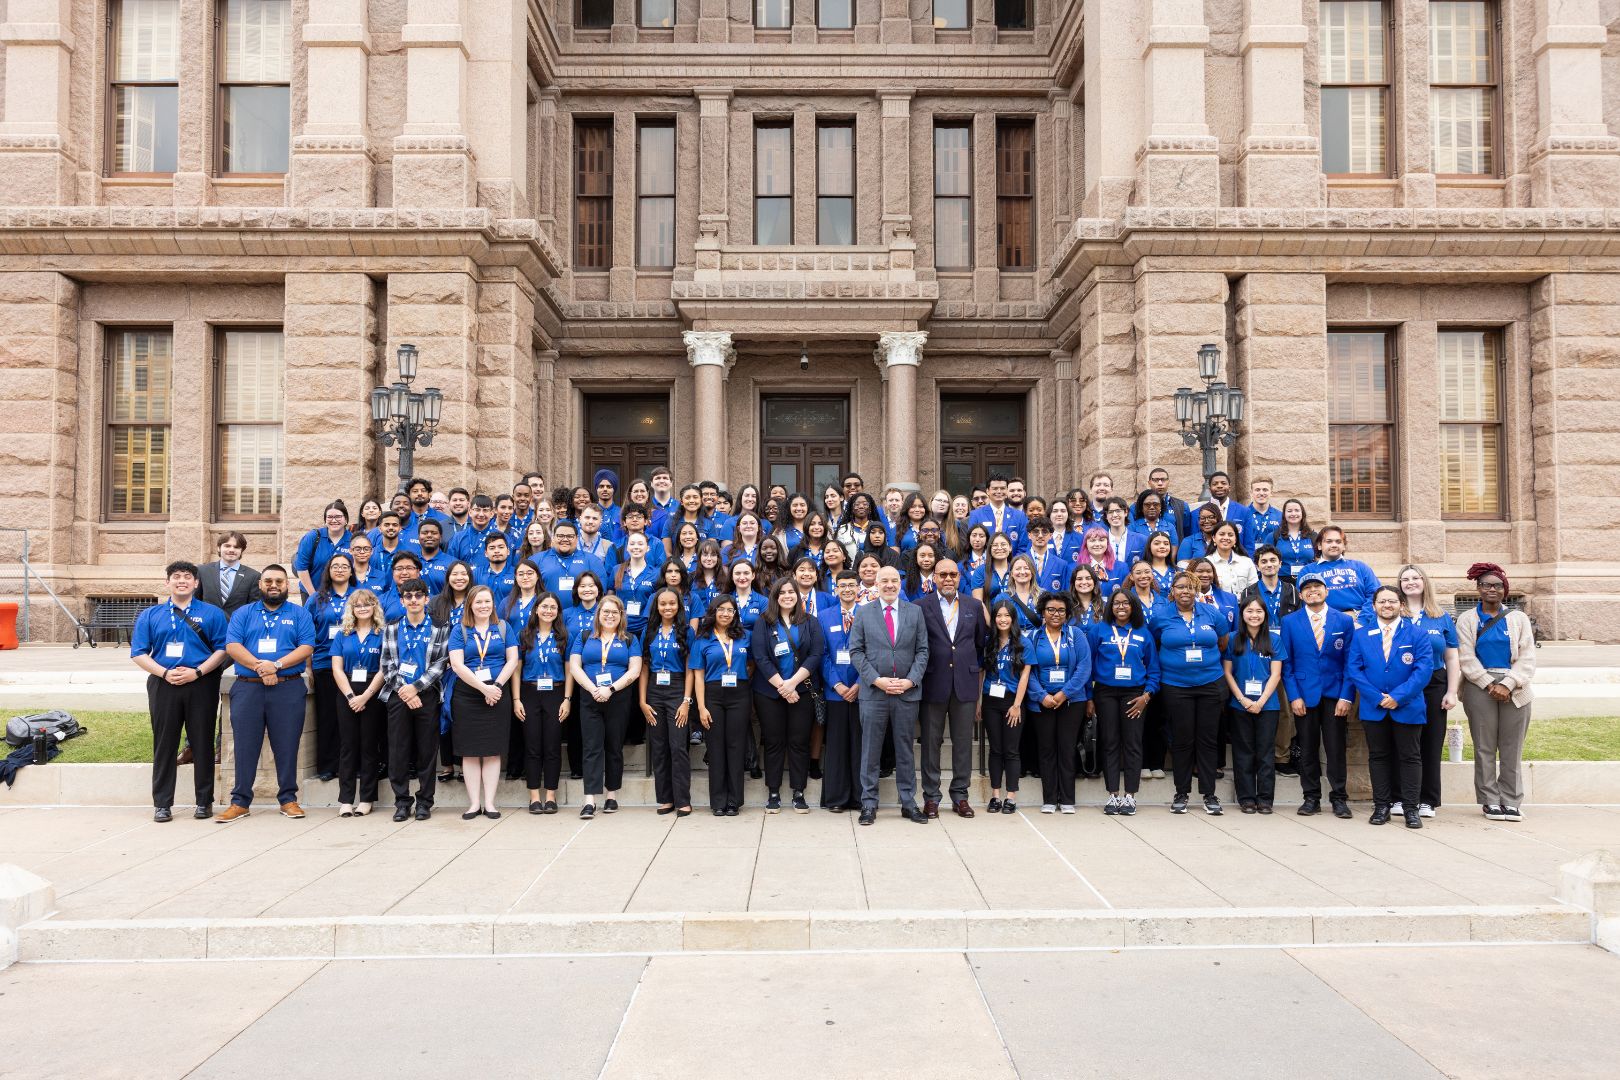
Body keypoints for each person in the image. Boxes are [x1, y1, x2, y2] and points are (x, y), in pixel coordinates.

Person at [130, 561, 229, 822]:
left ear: (196, 583)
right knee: (165, 744)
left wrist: (197, 672)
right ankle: (162, 803)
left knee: (203, 742)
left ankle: (204, 801)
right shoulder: (151, 615)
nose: (182, 580)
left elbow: (222, 649)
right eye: (176, 577)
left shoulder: (213, 614)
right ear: (167, 583)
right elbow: (138, 652)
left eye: (187, 577)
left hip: (201, 683)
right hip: (164, 684)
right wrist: (163, 672)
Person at [218, 565, 316, 822]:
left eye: (280, 581)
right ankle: (240, 801)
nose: (274, 585)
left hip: (288, 687)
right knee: (245, 745)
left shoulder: (299, 614)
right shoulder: (243, 613)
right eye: (269, 581)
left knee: (286, 744)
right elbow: (232, 645)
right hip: (248, 687)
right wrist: (261, 667)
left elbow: (306, 646)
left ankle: (288, 799)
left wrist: (277, 665)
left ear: (288, 585)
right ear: (260, 585)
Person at [848, 565, 930, 826]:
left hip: (906, 694)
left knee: (905, 750)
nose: (890, 585)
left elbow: (923, 651)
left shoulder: (915, 612)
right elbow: (856, 652)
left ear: (901, 583)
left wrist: (910, 681)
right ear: (876, 584)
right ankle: (869, 804)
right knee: (870, 750)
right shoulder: (863, 613)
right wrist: (877, 680)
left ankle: (908, 803)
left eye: (895, 580)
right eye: (884, 581)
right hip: (874, 694)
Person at [1346, 585, 1434, 828]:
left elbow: (1423, 669)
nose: (1387, 605)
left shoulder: (1417, 634)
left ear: (1401, 605)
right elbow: (1355, 669)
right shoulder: (1362, 635)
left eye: (1392, 601)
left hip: (1407, 706)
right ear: (1374, 606)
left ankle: (1410, 809)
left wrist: (1398, 696)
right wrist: (1376, 696)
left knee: (1410, 757)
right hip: (1374, 708)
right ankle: (1381, 805)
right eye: (1382, 601)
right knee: (1378, 756)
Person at [1457, 562, 1537, 822]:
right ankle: (1490, 800)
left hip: (1515, 687)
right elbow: (1466, 657)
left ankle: (1512, 801)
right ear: (1478, 589)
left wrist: (1508, 683)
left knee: (1512, 747)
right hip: (1480, 687)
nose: (1491, 589)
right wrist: (1489, 683)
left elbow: (1527, 657)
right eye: (1486, 585)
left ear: (1505, 590)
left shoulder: (1518, 619)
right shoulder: (1468, 619)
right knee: (1484, 746)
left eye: (1497, 585)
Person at [1279, 573, 1356, 818]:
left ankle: (1339, 798)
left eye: (1317, 586)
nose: (1312, 590)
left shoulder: (1343, 621)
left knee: (1335, 749)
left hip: (1335, 695)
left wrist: (1346, 696)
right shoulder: (1290, 622)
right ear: (1300, 595)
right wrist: (1293, 697)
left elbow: (1350, 662)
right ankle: (1311, 797)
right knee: (1308, 748)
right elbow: (1287, 664)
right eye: (1307, 588)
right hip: (1304, 694)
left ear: (1326, 591)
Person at [1152, 570, 1229, 816]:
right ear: (1172, 590)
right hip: (1176, 686)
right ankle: (1181, 792)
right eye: (1180, 587)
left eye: (1190, 587)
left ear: (1196, 590)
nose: (1185, 591)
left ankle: (1209, 794)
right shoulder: (1161, 616)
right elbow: (1155, 643)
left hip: (1209, 683)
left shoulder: (1211, 614)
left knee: (1207, 740)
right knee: (1183, 740)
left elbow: (1222, 641)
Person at [918, 559, 988, 819]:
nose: (948, 578)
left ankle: (960, 796)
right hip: (933, 683)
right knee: (930, 744)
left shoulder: (973, 605)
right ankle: (931, 798)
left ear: (959, 577)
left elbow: (980, 642)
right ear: (934, 577)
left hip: (965, 685)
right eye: (943, 574)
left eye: (953, 574)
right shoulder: (920, 606)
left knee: (962, 744)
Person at [750, 578, 825, 814]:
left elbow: (815, 655)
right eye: (782, 593)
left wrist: (792, 684)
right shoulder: (764, 622)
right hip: (769, 693)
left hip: (801, 691)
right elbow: (760, 657)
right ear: (775, 596)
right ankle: (773, 792)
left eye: (791, 592)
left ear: (797, 596)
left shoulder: (810, 622)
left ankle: (798, 792)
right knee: (773, 742)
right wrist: (782, 687)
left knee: (799, 742)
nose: (787, 596)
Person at [381, 578, 451, 821]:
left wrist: (416, 687)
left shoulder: (439, 628)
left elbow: (441, 664)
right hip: (398, 695)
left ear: (426, 599)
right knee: (398, 751)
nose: (413, 600)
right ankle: (402, 801)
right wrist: (405, 690)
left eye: (418, 596)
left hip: (427, 695)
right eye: (408, 597)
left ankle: (424, 802)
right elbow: (387, 664)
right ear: (402, 600)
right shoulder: (391, 627)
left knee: (426, 751)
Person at [447, 585, 519, 819]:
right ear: (470, 605)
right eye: (478, 602)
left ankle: (489, 803)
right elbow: (457, 665)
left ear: (493, 604)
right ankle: (473, 804)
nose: (483, 606)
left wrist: (496, 687)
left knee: (492, 751)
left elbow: (513, 660)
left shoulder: (503, 627)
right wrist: (484, 688)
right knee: (469, 752)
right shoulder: (460, 630)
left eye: (487, 601)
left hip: (497, 693)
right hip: (468, 696)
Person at [568, 594, 641, 819]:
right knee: (591, 747)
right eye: (605, 612)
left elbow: (635, 670)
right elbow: (574, 666)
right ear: (598, 614)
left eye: (614, 612)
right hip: (590, 697)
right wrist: (593, 689)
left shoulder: (629, 639)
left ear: (621, 616)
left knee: (614, 746)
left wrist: (610, 689)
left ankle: (611, 795)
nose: (609, 616)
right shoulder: (584, 636)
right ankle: (589, 800)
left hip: (617, 698)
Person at [1088, 588, 1158, 817]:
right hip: (1105, 693)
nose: (1121, 607)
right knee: (1110, 742)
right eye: (1116, 603)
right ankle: (1113, 795)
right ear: (1110, 606)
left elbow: (1154, 671)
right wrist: (1089, 697)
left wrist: (1146, 696)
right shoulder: (1099, 630)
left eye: (1126, 603)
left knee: (1133, 743)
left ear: (1133, 606)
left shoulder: (1143, 633)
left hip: (1134, 695)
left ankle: (1130, 796)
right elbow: (1088, 667)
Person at [1398, 564, 1460, 818]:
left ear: (1425, 582)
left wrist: (1452, 691)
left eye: (1415, 577)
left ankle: (1427, 799)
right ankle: (1400, 798)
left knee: (1431, 742)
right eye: (1405, 579)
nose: (1410, 582)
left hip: (1434, 683)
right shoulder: (1393, 612)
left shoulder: (1441, 616)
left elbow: (1452, 657)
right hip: (1401, 684)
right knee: (1402, 743)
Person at [1024, 591, 1093, 814]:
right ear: (1043, 612)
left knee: (1066, 747)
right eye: (1051, 610)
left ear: (1067, 613)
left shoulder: (1076, 635)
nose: (1056, 614)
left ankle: (1067, 800)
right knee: (1046, 749)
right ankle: (1049, 799)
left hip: (1072, 701)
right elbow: (1028, 672)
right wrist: (1041, 695)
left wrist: (1064, 694)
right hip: (1042, 702)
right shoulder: (1033, 637)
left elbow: (1084, 668)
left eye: (1061, 610)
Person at [1223, 597, 1287, 814]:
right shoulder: (1233, 639)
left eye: (1259, 611)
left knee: (1265, 753)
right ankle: (1247, 799)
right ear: (1242, 614)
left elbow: (1276, 674)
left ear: (1265, 615)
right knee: (1243, 753)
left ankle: (1265, 799)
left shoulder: (1274, 639)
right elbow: (1227, 673)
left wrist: (1259, 702)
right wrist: (1243, 700)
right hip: (1239, 705)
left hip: (1267, 705)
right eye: (1250, 611)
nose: (1254, 615)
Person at [691, 595, 751, 816]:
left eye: (730, 610)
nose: (726, 613)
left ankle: (734, 801)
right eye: (721, 609)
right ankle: (718, 801)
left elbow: (752, 664)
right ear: (713, 612)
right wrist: (701, 707)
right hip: (712, 695)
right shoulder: (702, 639)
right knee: (715, 748)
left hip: (740, 694)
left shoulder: (745, 636)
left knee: (736, 747)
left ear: (735, 614)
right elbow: (698, 676)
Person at [331, 588, 386, 817]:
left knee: (369, 746)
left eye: (367, 604)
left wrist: (366, 696)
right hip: (348, 692)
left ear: (374, 607)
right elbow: (336, 668)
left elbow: (385, 668)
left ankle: (366, 798)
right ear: (351, 609)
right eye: (358, 605)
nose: (362, 608)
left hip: (373, 692)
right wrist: (352, 697)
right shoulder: (343, 634)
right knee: (348, 746)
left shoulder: (382, 633)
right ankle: (345, 799)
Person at [639, 587, 693, 816]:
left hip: (677, 687)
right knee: (659, 747)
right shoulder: (649, 630)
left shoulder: (686, 631)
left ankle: (683, 800)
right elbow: (643, 667)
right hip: (654, 691)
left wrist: (686, 701)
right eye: (663, 604)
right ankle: (665, 798)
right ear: (656, 607)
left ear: (679, 606)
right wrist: (642, 701)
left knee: (678, 746)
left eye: (672, 603)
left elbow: (691, 668)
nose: (667, 607)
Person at [515, 592, 570, 815]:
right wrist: (516, 699)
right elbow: (516, 670)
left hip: (556, 693)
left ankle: (550, 795)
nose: (548, 611)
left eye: (553, 607)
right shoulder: (524, 635)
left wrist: (567, 699)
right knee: (532, 746)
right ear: (536, 609)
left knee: (552, 745)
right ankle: (534, 796)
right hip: (529, 692)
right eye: (544, 606)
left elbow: (569, 670)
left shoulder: (564, 636)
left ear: (558, 611)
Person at [817, 569, 865, 812]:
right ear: (835, 589)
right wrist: (837, 684)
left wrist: (857, 684)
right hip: (835, 691)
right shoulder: (824, 617)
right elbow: (822, 655)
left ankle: (858, 797)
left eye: (851, 585)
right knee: (836, 746)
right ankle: (836, 798)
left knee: (859, 745)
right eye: (842, 585)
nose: (847, 589)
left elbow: (872, 653)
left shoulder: (868, 614)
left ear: (859, 589)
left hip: (861, 689)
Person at [979, 598, 1030, 814]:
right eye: (998, 615)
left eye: (1006, 615)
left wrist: (1017, 705)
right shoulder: (989, 641)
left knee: (1011, 750)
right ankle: (995, 796)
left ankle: (1011, 796)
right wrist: (979, 703)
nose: (1002, 619)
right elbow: (983, 674)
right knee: (995, 750)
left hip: (1012, 701)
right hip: (990, 701)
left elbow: (1025, 674)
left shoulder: (1022, 643)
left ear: (1013, 618)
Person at [1310, 525, 1380, 623]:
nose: (1334, 545)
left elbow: (1376, 595)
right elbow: (1307, 600)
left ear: (1343, 546)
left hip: (1361, 623)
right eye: (1329, 541)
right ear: (1319, 545)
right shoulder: (1308, 571)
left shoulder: (1360, 567)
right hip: (1325, 624)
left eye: (1338, 542)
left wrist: (1362, 619)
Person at [293, 501, 351, 597]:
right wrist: (313, 596)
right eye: (330, 517)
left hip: (342, 596)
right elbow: (301, 568)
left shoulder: (353, 540)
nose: (334, 520)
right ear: (325, 520)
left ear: (346, 520)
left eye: (338, 516)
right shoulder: (313, 537)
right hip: (311, 591)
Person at [197, 532, 261, 614]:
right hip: (207, 625)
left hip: (237, 625)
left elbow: (253, 608)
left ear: (242, 551)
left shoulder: (253, 576)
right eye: (227, 546)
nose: (231, 550)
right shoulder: (202, 571)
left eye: (236, 547)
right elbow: (195, 601)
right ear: (219, 548)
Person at [968, 471, 1028, 553]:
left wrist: (1012, 564)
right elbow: (973, 544)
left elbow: (1023, 547)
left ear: (1007, 490)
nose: (999, 491)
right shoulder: (976, 515)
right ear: (988, 491)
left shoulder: (1019, 516)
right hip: (985, 564)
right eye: (995, 488)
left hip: (1012, 563)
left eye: (1003, 488)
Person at [1208, 522, 1257, 596]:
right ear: (1214, 538)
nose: (1226, 538)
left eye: (1230, 535)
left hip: (1244, 606)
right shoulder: (1207, 562)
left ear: (1235, 539)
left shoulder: (1247, 562)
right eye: (1222, 534)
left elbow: (1254, 589)